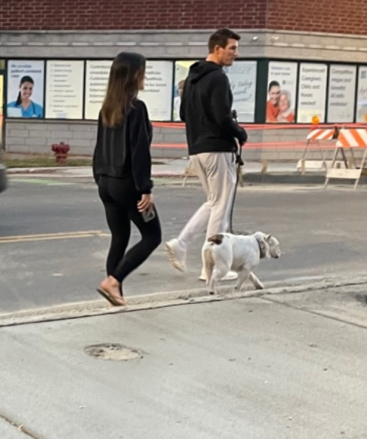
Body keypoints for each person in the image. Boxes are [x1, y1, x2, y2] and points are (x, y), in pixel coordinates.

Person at [165, 28, 249, 281]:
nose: (236, 53)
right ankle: (212, 267)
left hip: (197, 150)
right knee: (221, 208)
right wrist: (240, 133)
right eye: (232, 48)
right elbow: (222, 118)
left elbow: (183, 115)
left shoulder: (192, 77)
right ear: (217, 49)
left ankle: (181, 243)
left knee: (213, 202)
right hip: (218, 149)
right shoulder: (218, 78)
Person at [92, 51, 161, 307]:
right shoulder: (136, 108)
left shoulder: (107, 109)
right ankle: (114, 281)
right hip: (127, 184)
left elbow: (99, 148)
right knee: (152, 236)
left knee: (119, 237)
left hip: (106, 183)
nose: (145, 76)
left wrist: (98, 177)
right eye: (143, 70)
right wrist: (146, 189)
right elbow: (139, 152)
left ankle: (115, 292)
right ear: (134, 75)